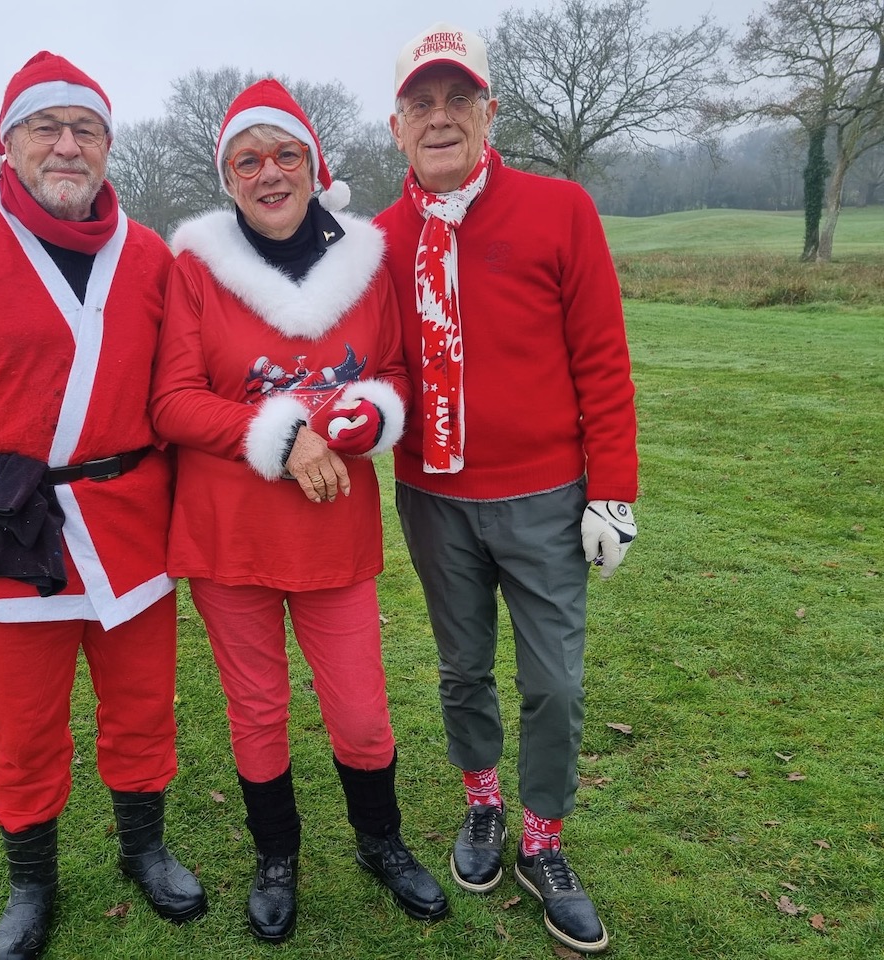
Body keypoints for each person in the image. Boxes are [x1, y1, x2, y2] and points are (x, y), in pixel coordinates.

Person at [0, 51, 207, 960]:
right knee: (25, 728)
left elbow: (180, 396)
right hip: (11, 530)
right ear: (9, 142)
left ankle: (144, 850)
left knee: (143, 707)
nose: (67, 146)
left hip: (132, 525)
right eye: (46, 128)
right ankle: (33, 882)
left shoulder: (148, 255)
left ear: (107, 146)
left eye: (86, 130)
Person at [152, 78, 448, 943]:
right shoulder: (196, 269)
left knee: (360, 709)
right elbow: (172, 400)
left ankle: (381, 840)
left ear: (315, 166)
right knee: (257, 709)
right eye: (248, 161)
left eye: (286, 154)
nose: (269, 173)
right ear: (228, 178)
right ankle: (276, 856)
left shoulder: (365, 263)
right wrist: (282, 437)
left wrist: (373, 415)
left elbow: (392, 373)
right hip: (230, 532)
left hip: (332, 526)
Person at [374, 23, 640, 955]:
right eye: (421, 104)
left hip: (545, 496)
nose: (440, 118)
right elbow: (372, 368)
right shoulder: (379, 240)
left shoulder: (560, 209)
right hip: (434, 497)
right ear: (397, 127)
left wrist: (613, 489)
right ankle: (483, 803)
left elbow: (602, 358)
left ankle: (544, 839)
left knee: (555, 683)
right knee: (463, 669)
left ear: (489, 113)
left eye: (459, 100)